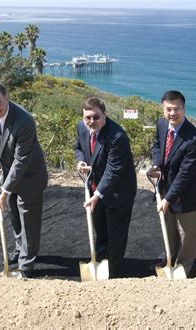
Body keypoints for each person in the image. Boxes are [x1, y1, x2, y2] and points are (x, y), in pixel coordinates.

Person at [0, 81, 48, 278]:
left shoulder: (24, 121)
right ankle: (21, 250)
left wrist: (4, 191)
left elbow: (22, 160)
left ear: (7, 98)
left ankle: (26, 266)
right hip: (7, 172)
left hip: (30, 175)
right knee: (15, 216)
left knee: (28, 219)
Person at [74, 97, 136, 279]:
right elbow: (78, 147)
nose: (91, 121)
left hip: (118, 192)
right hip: (95, 187)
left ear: (105, 115)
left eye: (96, 117)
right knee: (100, 229)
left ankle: (113, 272)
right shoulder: (81, 127)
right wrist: (80, 161)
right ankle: (100, 260)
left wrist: (97, 195)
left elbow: (113, 170)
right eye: (88, 118)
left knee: (115, 234)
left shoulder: (117, 137)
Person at [148, 90, 196, 277]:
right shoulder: (162, 124)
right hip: (165, 188)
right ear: (163, 109)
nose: (172, 113)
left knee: (185, 235)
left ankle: (184, 268)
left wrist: (168, 198)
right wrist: (156, 164)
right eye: (168, 109)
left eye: (177, 109)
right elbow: (156, 145)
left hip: (186, 194)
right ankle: (170, 260)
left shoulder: (194, 139)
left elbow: (185, 174)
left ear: (184, 109)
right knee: (169, 229)